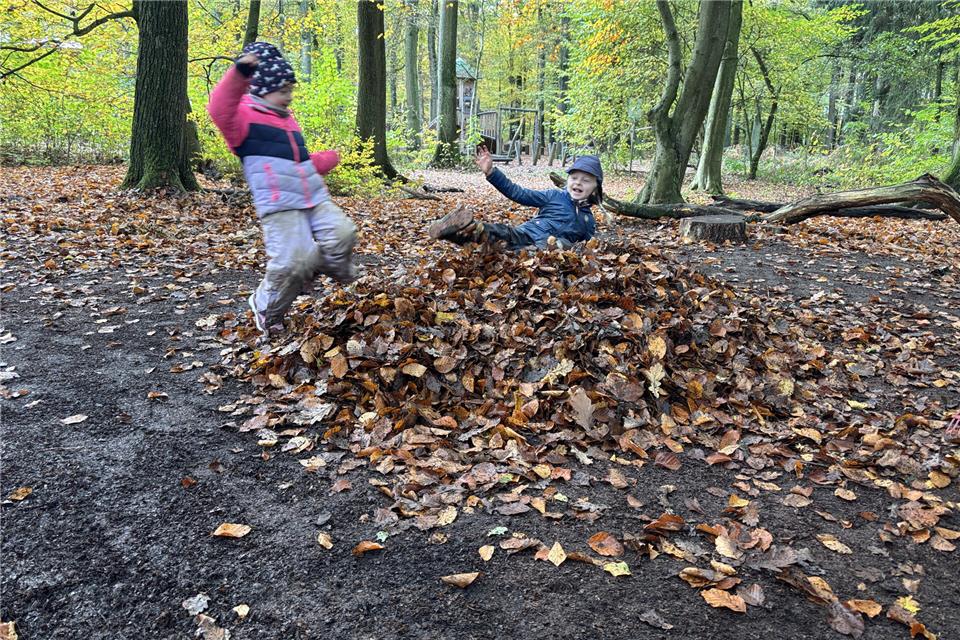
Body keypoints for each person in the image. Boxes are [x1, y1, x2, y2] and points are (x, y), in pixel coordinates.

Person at [206, 41, 357, 340]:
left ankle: (320, 270)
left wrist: (325, 160)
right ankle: (267, 308)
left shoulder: (288, 121)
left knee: (343, 233)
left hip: (313, 195)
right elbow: (218, 107)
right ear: (263, 88)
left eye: (291, 89)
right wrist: (241, 72)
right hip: (279, 204)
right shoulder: (242, 120)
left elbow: (298, 163)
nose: (289, 96)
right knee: (292, 261)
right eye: (284, 90)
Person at [428, 146, 604, 250]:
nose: (578, 183)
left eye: (586, 180)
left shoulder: (588, 220)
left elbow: (586, 247)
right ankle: (455, 230)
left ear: (595, 187)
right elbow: (518, 193)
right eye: (574, 178)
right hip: (525, 234)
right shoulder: (554, 196)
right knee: (498, 233)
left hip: (548, 251)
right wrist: (491, 172)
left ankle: (468, 234)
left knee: (562, 245)